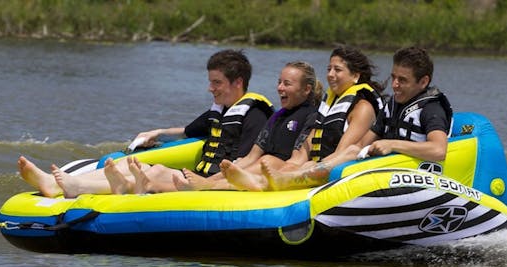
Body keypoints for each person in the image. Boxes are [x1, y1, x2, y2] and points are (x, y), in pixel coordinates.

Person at [18, 49, 274, 198]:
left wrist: (208, 181)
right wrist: (157, 133)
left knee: (156, 172)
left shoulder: (254, 114)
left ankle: (77, 187)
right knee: (130, 163)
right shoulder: (221, 111)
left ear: (237, 82)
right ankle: (60, 184)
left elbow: (245, 163)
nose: (210, 89)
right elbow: (186, 131)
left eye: (217, 83)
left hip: (211, 182)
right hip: (198, 176)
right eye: (210, 81)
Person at [262, 46, 453, 191]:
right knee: (353, 149)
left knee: (351, 152)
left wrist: (392, 144)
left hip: (414, 169)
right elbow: (361, 144)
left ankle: (293, 179)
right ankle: (279, 180)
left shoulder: (431, 108)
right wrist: (317, 164)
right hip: (388, 166)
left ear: (423, 81)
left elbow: (438, 150)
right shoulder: (393, 106)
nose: (394, 85)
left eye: (402, 80)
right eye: (393, 77)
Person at [120, 61, 324, 193]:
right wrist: (215, 176)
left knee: (268, 161)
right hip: (262, 167)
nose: (280, 88)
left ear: (306, 89)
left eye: (287, 84)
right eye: (279, 82)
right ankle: (198, 185)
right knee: (257, 161)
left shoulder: (313, 116)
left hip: (285, 172)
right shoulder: (276, 117)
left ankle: (206, 187)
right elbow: (251, 157)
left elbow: (298, 160)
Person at [207, 46, 385, 191]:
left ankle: (222, 185)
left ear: (355, 76)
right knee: (291, 165)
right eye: (329, 69)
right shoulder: (326, 109)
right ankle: (216, 184)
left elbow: (342, 153)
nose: (330, 74)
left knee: (302, 165)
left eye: (337, 70)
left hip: (337, 169)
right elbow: (301, 154)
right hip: (315, 164)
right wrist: (290, 166)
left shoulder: (363, 108)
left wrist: (303, 168)